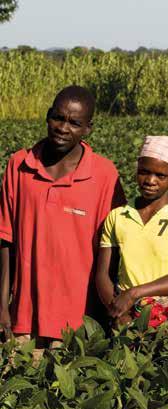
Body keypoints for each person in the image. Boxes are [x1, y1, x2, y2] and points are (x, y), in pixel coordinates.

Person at [0, 85, 125, 347]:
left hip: (78, 325)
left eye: (74, 122)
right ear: (47, 115)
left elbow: (113, 251)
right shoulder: (19, 166)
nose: (63, 127)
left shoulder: (104, 175)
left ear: (88, 128)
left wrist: (109, 311)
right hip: (23, 320)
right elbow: (5, 241)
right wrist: (2, 306)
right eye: (58, 118)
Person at [95, 136, 168, 328]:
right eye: (144, 172)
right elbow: (104, 274)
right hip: (123, 308)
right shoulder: (118, 215)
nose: (150, 181)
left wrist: (134, 293)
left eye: (161, 176)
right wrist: (118, 311)